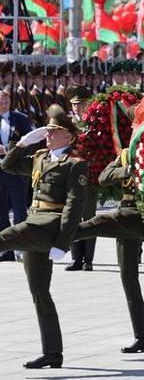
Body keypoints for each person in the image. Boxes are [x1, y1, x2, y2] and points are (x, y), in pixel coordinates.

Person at [0, 104, 88, 369]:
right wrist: (25, 141)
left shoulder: (75, 164)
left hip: (48, 226)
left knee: (7, 235)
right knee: (40, 292)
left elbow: (74, 206)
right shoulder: (40, 157)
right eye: (47, 130)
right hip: (34, 222)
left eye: (54, 131)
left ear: (69, 136)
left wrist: (63, 243)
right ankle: (53, 353)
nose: (47, 135)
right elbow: (7, 165)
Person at [71, 147, 144, 353]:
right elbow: (103, 177)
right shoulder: (126, 154)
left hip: (141, 212)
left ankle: (62, 235)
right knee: (128, 278)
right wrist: (127, 171)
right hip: (125, 210)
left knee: (98, 222)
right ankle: (143, 337)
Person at [64, 86, 98, 271]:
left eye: (80, 104)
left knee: (89, 218)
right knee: (71, 217)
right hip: (70, 176)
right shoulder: (66, 124)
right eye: (74, 104)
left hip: (88, 175)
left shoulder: (93, 123)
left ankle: (88, 259)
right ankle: (76, 257)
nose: (76, 108)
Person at [0, 88, 32, 262]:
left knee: (20, 210)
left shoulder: (20, 118)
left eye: (6, 101)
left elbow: (28, 141)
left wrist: (6, 150)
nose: (4, 104)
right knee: (1, 212)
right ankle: (6, 249)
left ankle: (22, 247)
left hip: (17, 171)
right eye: (1, 101)